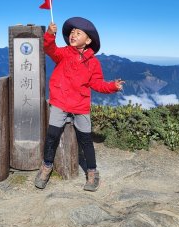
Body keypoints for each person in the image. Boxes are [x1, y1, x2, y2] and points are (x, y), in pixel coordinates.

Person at [34, 17, 124, 192]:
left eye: (78, 33)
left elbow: (97, 84)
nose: (73, 35)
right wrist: (50, 35)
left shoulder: (93, 63)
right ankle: (46, 167)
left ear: (88, 40)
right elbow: (49, 48)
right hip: (60, 100)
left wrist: (112, 86)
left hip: (80, 104)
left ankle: (92, 172)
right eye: (71, 33)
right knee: (52, 135)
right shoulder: (63, 53)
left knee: (86, 140)